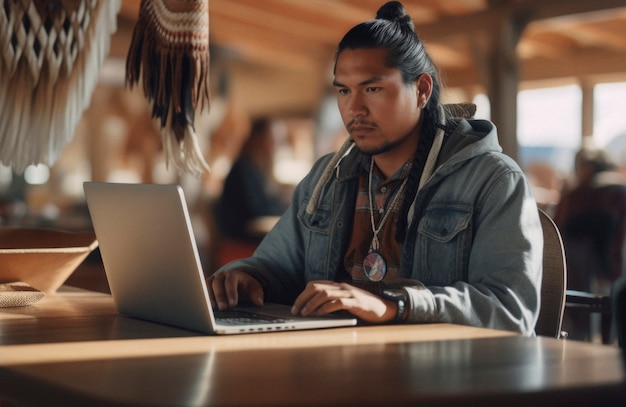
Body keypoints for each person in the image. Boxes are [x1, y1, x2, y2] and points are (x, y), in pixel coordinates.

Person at [207, 1, 542, 335]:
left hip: (436, 378)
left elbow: (510, 311)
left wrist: (394, 305)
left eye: (372, 88)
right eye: (343, 90)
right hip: (330, 367)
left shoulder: (493, 180)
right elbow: (275, 266)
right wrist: (246, 277)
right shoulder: (328, 177)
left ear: (422, 89)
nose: (354, 109)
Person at [216, 117, 289, 244]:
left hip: (252, 237)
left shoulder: (257, 169)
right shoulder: (243, 169)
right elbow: (257, 211)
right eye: (273, 139)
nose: (277, 146)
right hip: (240, 242)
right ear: (258, 139)